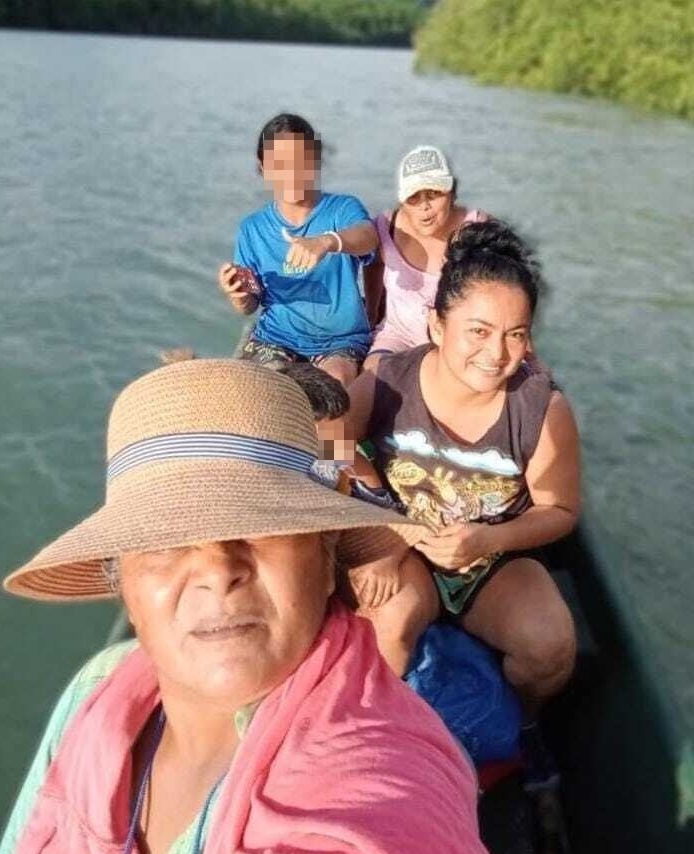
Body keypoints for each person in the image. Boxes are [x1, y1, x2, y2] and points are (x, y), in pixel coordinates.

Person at [0, 359, 539, 854]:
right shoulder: (98, 693)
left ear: (327, 559)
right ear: (127, 588)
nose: (218, 570)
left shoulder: (382, 785)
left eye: (263, 525)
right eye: (165, 539)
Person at [344, 219, 580, 708]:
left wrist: (489, 538)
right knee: (387, 625)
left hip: (491, 562)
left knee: (551, 648)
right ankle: (376, 733)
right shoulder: (388, 380)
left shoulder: (542, 410)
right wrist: (381, 535)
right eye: (478, 331)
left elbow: (559, 511)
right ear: (436, 323)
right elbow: (327, 445)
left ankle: (525, 724)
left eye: (515, 334)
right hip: (404, 549)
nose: (496, 354)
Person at [218, 113, 378, 386]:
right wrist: (238, 295)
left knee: (332, 388)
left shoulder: (342, 209)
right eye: (279, 164)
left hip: (339, 342)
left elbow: (369, 236)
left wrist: (327, 241)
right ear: (263, 167)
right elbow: (250, 304)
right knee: (259, 392)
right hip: (276, 339)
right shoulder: (252, 228)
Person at [363, 145, 490, 370]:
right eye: (414, 198)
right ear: (403, 201)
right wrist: (371, 313)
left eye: (434, 194)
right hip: (396, 337)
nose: (425, 206)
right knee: (372, 376)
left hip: (455, 345)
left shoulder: (478, 228)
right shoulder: (386, 227)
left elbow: (509, 285)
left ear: (452, 193)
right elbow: (372, 266)